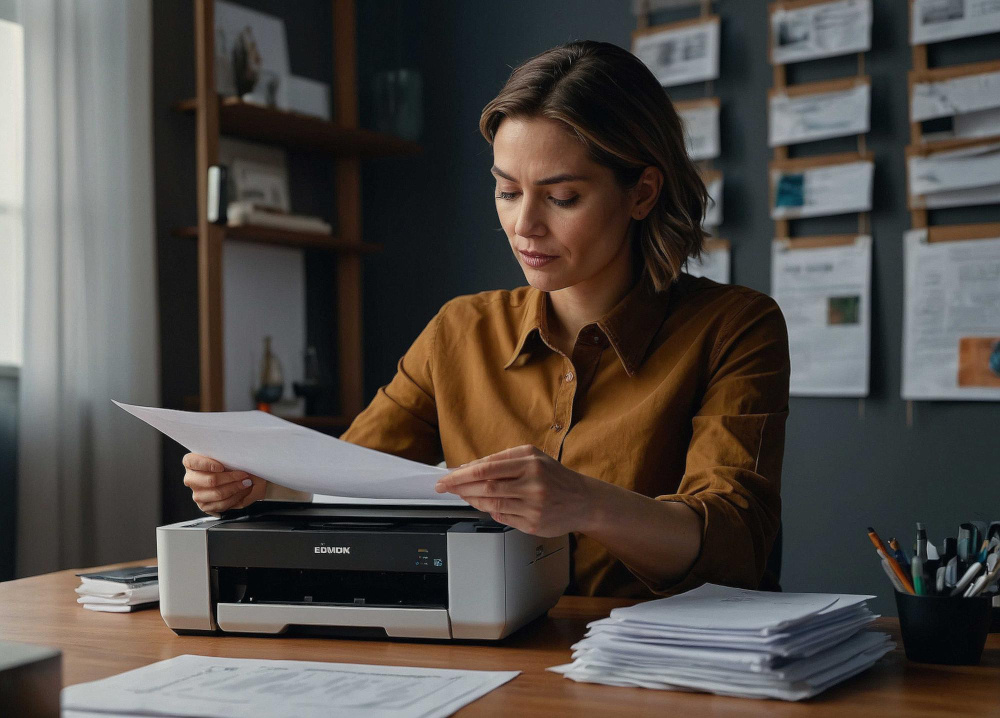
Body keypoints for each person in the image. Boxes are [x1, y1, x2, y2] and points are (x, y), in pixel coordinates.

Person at [183, 41, 789, 598]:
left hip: (665, 671)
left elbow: (736, 545)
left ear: (642, 193)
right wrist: (263, 485)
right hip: (495, 658)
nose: (525, 225)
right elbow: (350, 480)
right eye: (506, 191)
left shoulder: (735, 327)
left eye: (562, 197)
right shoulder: (459, 330)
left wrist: (587, 503)